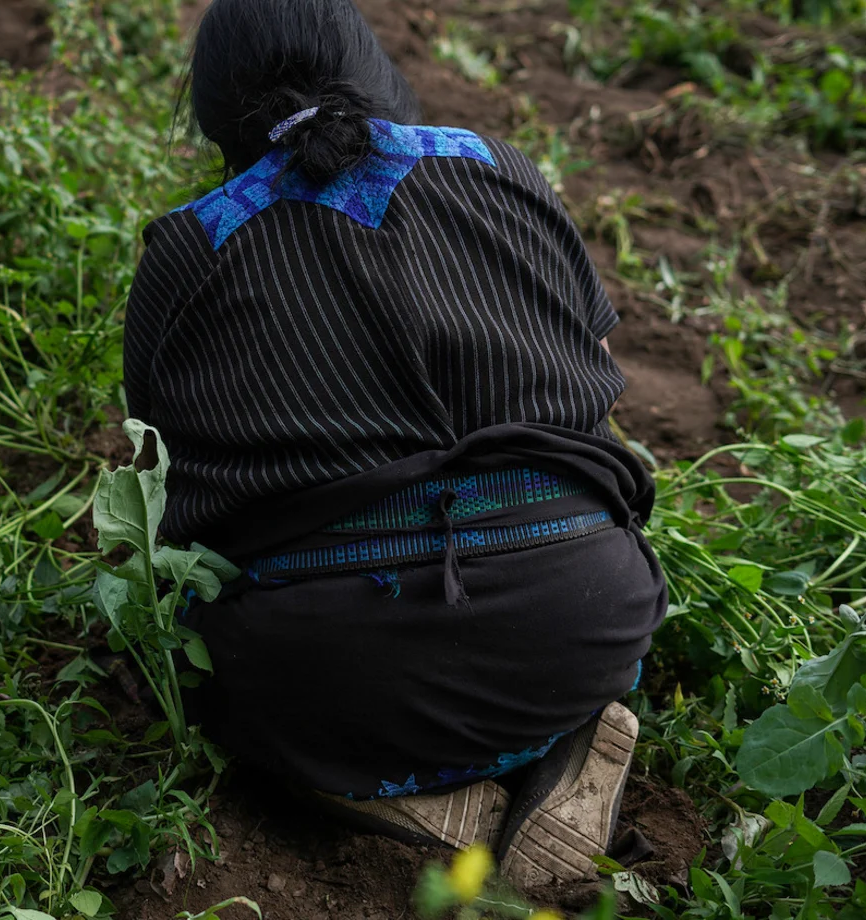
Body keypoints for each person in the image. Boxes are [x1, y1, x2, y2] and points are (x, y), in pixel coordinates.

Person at [121, 0, 668, 890]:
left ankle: (393, 792)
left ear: (215, 109)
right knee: (568, 552)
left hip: (319, 672)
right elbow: (599, 369)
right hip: (582, 614)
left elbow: (155, 460)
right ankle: (557, 737)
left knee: (199, 670)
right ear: (370, 69)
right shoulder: (498, 168)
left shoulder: (189, 244)